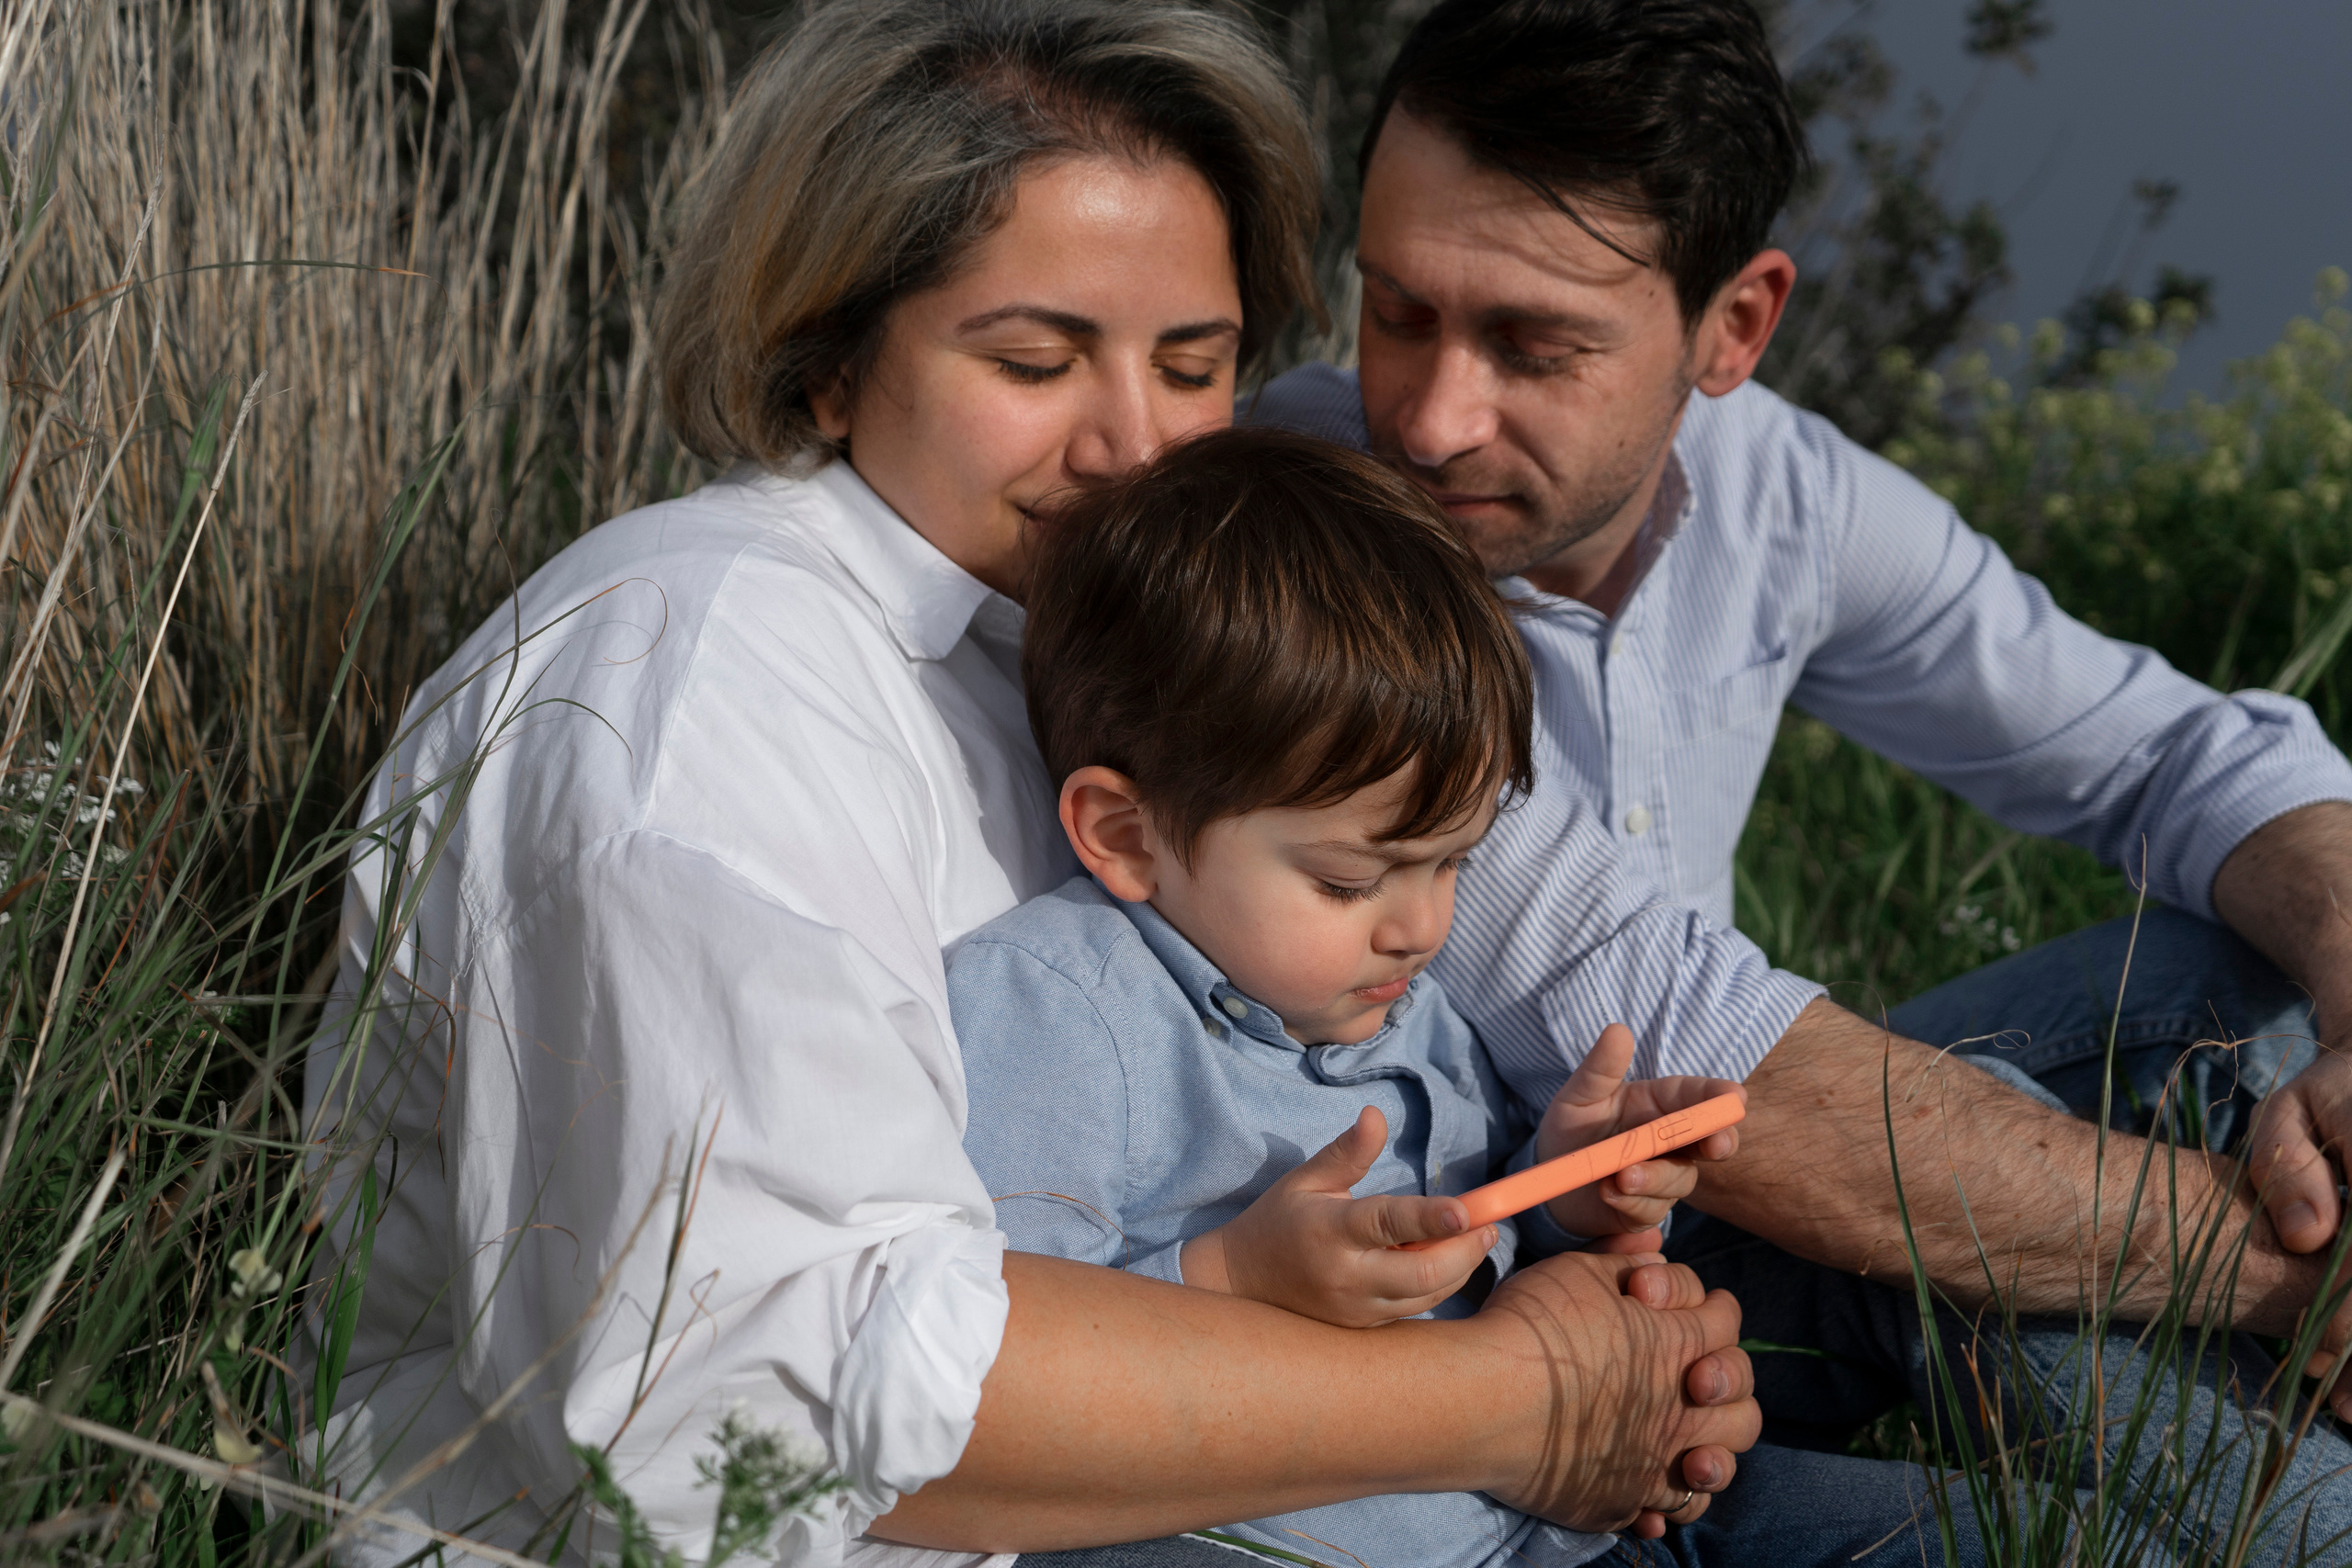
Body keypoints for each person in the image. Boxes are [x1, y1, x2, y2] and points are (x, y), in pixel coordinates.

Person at [299, 6, 1759, 1567]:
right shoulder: (703, 679)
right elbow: (764, 1405)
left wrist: (1595, 1287)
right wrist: (1509, 1401)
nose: (1135, 443)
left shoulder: (1096, 657)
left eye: (1195, 365)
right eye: (1036, 358)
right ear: (827, 364)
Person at [1242, 0, 2352, 1555]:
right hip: (1460, 1335)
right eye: (1399, 310)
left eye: (1534, 345)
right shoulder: (1279, 558)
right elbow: (1745, 1083)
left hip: (1699, 1253)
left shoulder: (1779, 494)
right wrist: (2290, 1270)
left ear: (1733, 329)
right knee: (1998, 1226)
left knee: (2252, 977)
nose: (1429, 415)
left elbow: (2183, 756)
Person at [953, 427, 1753, 1568]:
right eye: (1347, 879)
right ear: (1125, 835)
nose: (1418, 923)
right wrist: (1234, 1275)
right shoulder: (1063, 1011)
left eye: (1453, 861)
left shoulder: (1390, 998)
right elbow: (980, 1350)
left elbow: (1464, 1267)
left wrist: (1564, 1199)